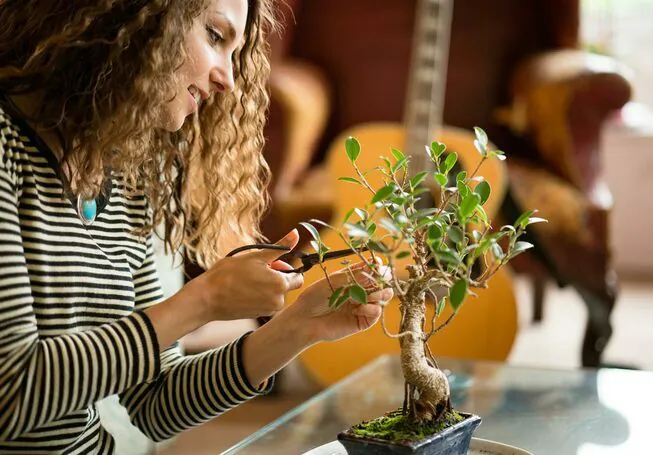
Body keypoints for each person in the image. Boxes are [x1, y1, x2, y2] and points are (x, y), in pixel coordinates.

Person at [0, 0, 393, 453]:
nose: (227, 79)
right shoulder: (7, 149)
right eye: (214, 36)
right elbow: (11, 395)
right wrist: (203, 301)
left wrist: (296, 327)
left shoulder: (123, 173)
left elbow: (155, 403)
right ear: (137, 17)